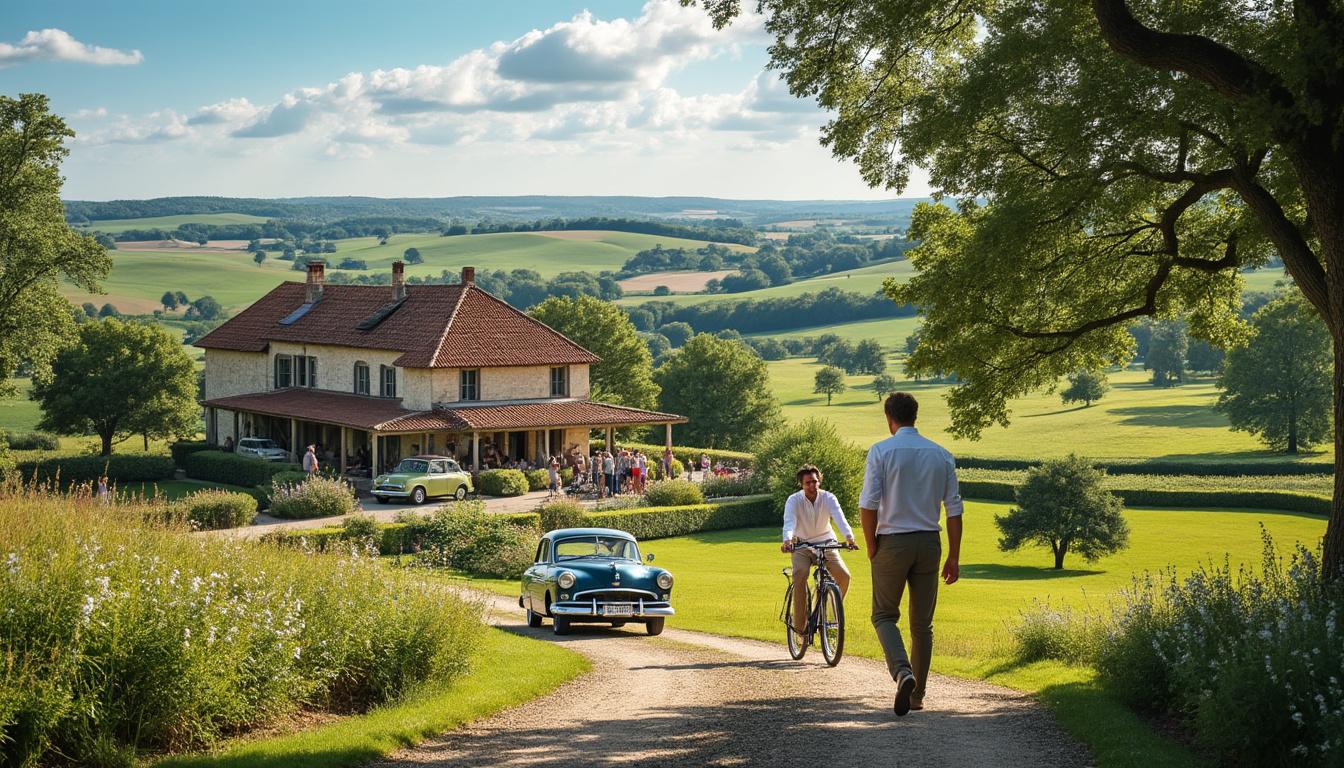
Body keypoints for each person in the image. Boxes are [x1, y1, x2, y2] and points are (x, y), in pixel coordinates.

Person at [859, 392, 963, 717]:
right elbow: (954, 510)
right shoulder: (941, 454)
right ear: (915, 416)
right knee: (923, 625)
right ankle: (917, 697)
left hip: (892, 542)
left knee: (884, 615)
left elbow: (868, 504)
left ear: (890, 417)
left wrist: (872, 545)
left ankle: (902, 672)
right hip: (930, 543)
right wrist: (954, 557)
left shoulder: (881, 451)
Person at [781, 464, 856, 638]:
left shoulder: (828, 498)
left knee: (844, 576)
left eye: (815, 482)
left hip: (826, 542)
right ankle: (800, 627)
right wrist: (787, 540)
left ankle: (829, 612)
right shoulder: (794, 500)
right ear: (801, 484)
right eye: (808, 483)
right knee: (800, 575)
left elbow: (839, 517)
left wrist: (849, 537)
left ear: (819, 481)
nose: (812, 486)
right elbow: (789, 522)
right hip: (801, 544)